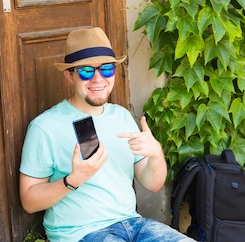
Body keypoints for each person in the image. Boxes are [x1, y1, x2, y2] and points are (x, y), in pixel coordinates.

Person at [18, 27, 195, 242]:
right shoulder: (45, 127)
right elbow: (29, 201)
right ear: (68, 75)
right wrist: (73, 180)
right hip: (82, 233)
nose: (98, 79)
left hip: (135, 225)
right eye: (86, 71)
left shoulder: (121, 116)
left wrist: (156, 153)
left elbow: (152, 184)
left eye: (106, 69)